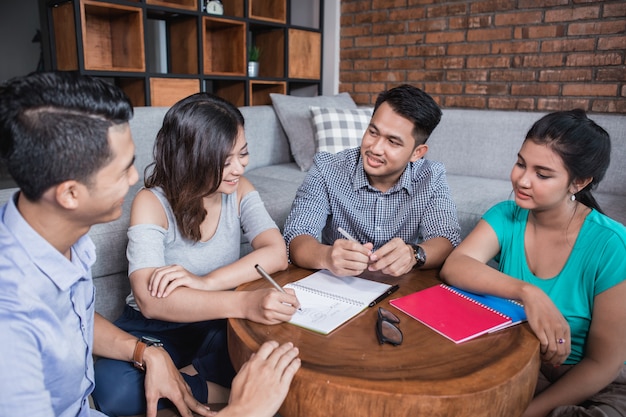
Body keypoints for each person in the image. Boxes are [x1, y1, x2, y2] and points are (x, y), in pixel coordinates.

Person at [0, 71, 300, 417]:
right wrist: (243, 411)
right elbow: (147, 302)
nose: (133, 180)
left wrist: (146, 353)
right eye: (123, 170)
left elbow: (74, 318)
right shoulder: (12, 313)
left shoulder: (64, 239)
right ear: (70, 193)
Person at [92, 92, 300, 416]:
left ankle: (179, 385)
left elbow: (276, 253)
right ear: (192, 158)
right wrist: (244, 302)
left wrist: (206, 282)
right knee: (114, 390)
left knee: (269, 349)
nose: (238, 167)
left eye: (242, 154)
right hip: (155, 325)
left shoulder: (241, 190)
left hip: (212, 316)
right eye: (225, 160)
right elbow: (149, 299)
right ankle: (209, 390)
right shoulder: (152, 202)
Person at [440, 109, 626, 417]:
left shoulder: (611, 245)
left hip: (598, 382)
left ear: (578, 182)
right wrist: (530, 293)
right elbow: (456, 265)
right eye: (520, 163)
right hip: (527, 364)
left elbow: (603, 363)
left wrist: (527, 412)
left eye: (542, 174)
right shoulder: (506, 215)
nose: (522, 180)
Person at [283, 84, 461, 277]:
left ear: (417, 153)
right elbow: (296, 236)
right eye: (373, 132)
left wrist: (414, 254)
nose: (375, 148)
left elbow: (447, 238)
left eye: (393, 142)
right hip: (338, 285)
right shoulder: (327, 168)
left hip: (398, 287)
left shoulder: (431, 176)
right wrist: (326, 256)